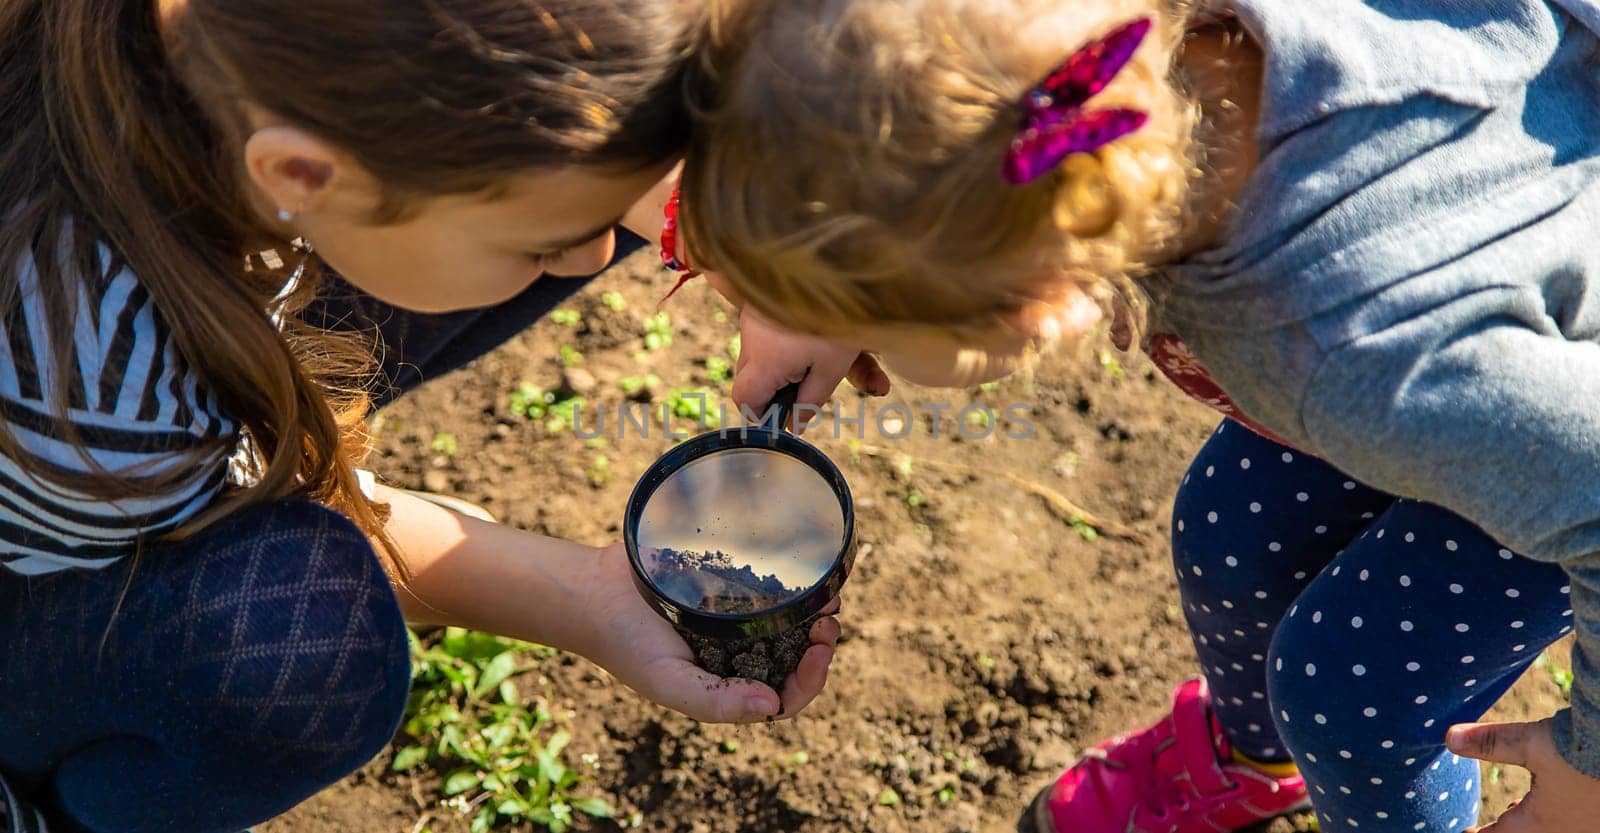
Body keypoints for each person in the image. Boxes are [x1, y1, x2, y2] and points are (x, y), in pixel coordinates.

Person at [681, 1, 1600, 831]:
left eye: (863, 326)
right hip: (1483, 339)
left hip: (1564, 423)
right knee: (1229, 531)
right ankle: (1255, 758)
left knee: (1352, 699)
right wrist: (832, 270)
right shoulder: (1119, 53)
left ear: (1036, 312)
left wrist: (1588, 774)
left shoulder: (1342, 351)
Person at [0, 2, 843, 831]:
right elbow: (266, 509)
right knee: (307, 636)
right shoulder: (95, 388)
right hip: (39, 585)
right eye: (546, 242)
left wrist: (745, 232)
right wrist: (578, 598)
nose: (592, 258)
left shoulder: (239, 65)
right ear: (302, 177)